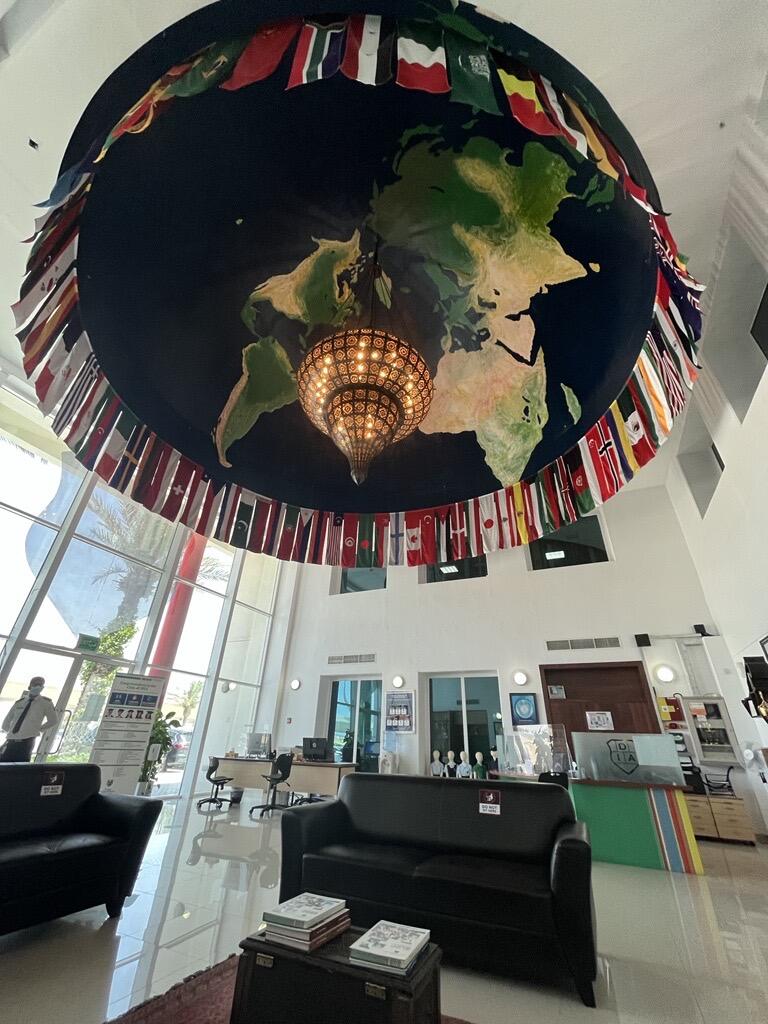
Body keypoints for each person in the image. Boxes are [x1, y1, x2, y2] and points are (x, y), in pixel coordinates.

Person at [0, 677, 60, 762]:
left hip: (27, 742)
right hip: (11, 741)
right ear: (30, 685)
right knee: (3, 766)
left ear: (43, 687)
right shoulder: (20, 702)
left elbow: (53, 720)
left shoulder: (46, 703)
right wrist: (10, 732)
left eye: (40, 685)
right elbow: (7, 721)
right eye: (35, 684)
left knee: (21, 768)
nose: (38, 686)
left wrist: (38, 729)